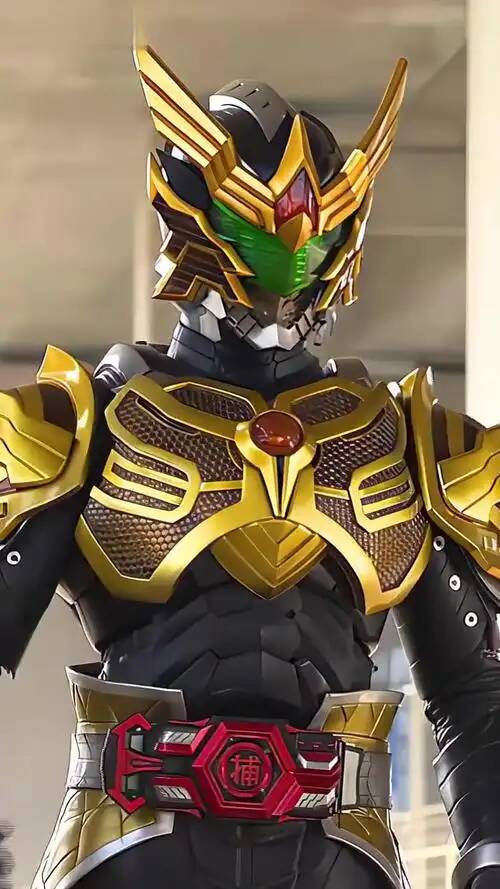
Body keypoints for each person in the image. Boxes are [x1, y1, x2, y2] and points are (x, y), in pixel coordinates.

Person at [1, 45, 499, 889]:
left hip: (338, 854)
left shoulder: (407, 441)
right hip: (131, 850)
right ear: (195, 215)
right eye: (258, 231)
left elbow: (476, 695)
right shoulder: (82, 423)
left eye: (316, 233)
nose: (291, 262)